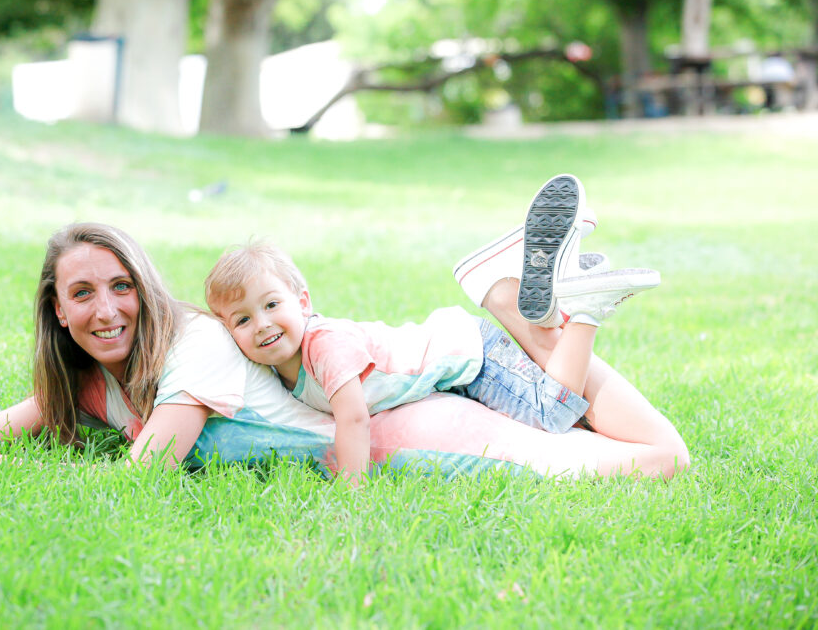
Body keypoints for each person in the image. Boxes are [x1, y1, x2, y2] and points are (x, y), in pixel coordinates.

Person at [0, 221, 689, 480]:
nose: (106, 307)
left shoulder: (192, 349)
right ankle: (521, 303)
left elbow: (146, 471)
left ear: (147, 287)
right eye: (81, 293)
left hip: (439, 434)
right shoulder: (98, 380)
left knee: (664, 458)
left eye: (120, 285)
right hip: (423, 406)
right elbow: (33, 414)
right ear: (55, 309)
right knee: (650, 449)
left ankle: (527, 307)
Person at [204, 175, 663, 482]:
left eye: (271, 305)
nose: (261, 324)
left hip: (470, 358)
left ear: (303, 303)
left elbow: (354, 418)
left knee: (554, 413)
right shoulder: (274, 367)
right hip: (457, 363)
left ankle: (575, 307)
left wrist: (352, 489)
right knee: (550, 401)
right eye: (242, 319)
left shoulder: (325, 346)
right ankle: (527, 296)